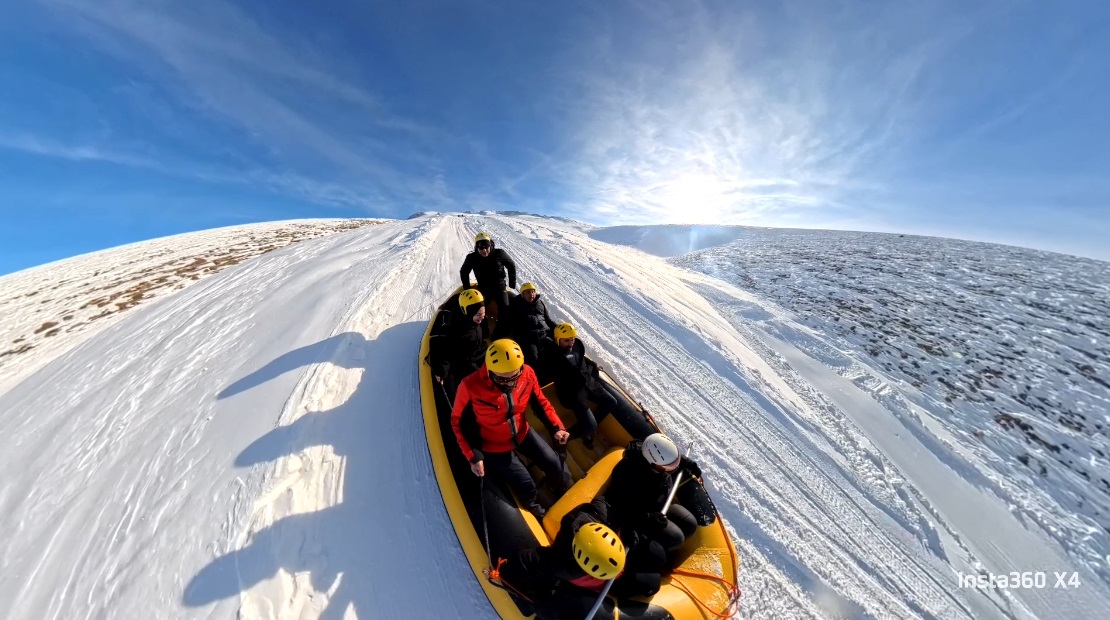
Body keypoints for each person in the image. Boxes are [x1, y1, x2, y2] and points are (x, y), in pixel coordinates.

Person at [451, 339, 572, 518]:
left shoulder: (527, 373)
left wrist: (557, 427)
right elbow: (458, 421)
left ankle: (562, 491)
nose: (510, 384)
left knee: (555, 464)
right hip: (493, 444)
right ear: (490, 371)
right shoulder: (470, 386)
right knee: (526, 484)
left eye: (515, 376)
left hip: (522, 432)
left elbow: (541, 403)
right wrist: (473, 456)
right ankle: (536, 510)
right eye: (503, 379)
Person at [495, 497, 666, 619]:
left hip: (618, 564)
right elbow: (517, 567)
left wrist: (631, 527)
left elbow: (609, 502)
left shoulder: (601, 514)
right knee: (651, 583)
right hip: (605, 584)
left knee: (656, 567)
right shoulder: (562, 564)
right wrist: (544, 605)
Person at [602, 433, 701, 555]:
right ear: (653, 465)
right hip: (638, 517)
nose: (671, 470)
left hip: (656, 503)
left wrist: (686, 462)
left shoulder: (650, 455)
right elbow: (622, 509)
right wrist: (649, 519)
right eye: (668, 466)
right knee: (675, 538)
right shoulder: (628, 476)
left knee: (689, 524)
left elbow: (666, 454)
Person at [541, 322, 619, 448]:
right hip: (573, 393)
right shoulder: (552, 356)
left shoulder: (577, 346)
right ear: (557, 340)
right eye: (566, 341)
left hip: (588, 384)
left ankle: (587, 429)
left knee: (611, 401)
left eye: (572, 339)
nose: (570, 343)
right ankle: (565, 437)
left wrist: (593, 365)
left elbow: (582, 358)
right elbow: (552, 371)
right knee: (590, 425)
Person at [428, 289, 486, 400]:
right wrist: (442, 372)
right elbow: (446, 350)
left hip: (475, 352)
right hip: (463, 362)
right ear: (468, 313)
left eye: (483, 313)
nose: (482, 317)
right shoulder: (458, 332)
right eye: (479, 314)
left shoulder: (474, 321)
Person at [459, 232, 517, 339]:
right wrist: (467, 288)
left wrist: (512, 283)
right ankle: (484, 334)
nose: (484, 251)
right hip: (484, 288)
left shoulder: (499, 253)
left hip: (499, 287)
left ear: (491, 245)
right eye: (481, 248)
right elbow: (464, 271)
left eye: (487, 247)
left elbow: (511, 265)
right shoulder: (472, 257)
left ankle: (497, 336)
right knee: (479, 311)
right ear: (477, 248)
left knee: (505, 310)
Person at [507, 282, 557, 375]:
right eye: (528, 292)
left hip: (543, 335)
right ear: (522, 294)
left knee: (557, 351)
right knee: (534, 360)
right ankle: (539, 380)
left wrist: (559, 329)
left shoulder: (540, 303)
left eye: (533, 292)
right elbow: (512, 323)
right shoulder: (516, 305)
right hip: (528, 339)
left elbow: (548, 320)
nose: (531, 294)